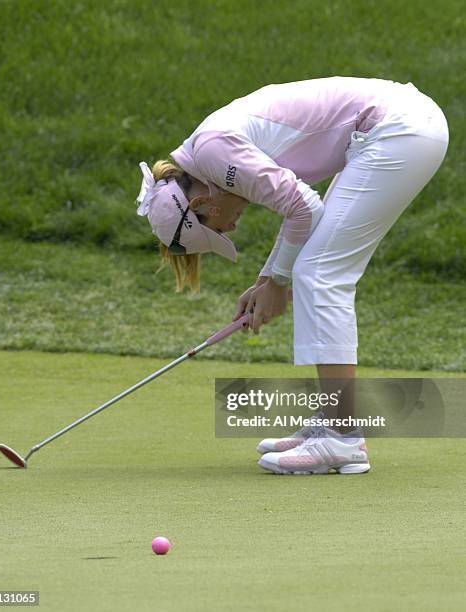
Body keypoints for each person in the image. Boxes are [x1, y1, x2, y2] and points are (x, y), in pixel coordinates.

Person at [136, 76, 449, 475]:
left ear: (202, 205)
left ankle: (342, 437)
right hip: (393, 127)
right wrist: (269, 280)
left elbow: (304, 208)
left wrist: (277, 281)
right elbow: (301, 211)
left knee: (320, 273)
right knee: (317, 269)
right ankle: (335, 422)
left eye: (216, 231)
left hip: (398, 128)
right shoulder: (209, 154)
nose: (229, 230)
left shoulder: (215, 153)